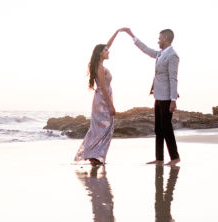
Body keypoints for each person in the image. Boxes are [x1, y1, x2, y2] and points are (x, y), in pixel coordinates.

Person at [121, 28, 181, 166]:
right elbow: (146, 50)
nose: (158, 40)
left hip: (166, 98)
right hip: (158, 96)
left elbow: (173, 78)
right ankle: (159, 158)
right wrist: (132, 35)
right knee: (158, 129)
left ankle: (175, 157)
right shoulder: (161, 53)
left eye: (159, 38)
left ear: (166, 38)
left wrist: (173, 100)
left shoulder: (172, 56)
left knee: (166, 128)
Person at [74, 29, 124, 166]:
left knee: (100, 128)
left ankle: (94, 156)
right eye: (106, 51)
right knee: (104, 129)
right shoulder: (100, 67)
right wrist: (111, 105)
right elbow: (102, 87)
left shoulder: (99, 64)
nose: (108, 52)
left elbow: (106, 46)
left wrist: (117, 33)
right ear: (101, 53)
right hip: (103, 100)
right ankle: (93, 156)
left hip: (101, 99)